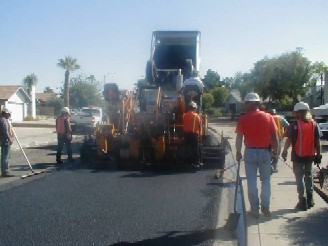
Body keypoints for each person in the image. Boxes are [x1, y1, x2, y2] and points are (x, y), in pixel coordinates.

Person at [236, 92, 278, 218]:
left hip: (250, 152)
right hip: (265, 152)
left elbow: (239, 138)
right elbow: (275, 138)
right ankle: (265, 206)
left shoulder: (243, 119)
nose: (245, 105)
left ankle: (254, 210)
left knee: (252, 181)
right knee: (266, 180)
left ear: (249, 104)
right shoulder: (268, 117)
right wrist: (275, 153)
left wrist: (238, 152)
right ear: (258, 103)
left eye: (246, 103)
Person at [281, 102, 321, 211]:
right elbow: (318, 141)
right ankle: (310, 199)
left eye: (295, 113)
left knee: (299, 179)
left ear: (298, 113)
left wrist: (284, 152)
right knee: (308, 176)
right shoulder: (314, 124)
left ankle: (302, 201)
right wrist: (319, 154)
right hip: (310, 156)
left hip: (297, 156)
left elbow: (288, 141)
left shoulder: (294, 125)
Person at [268, 109, 290, 173]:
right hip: (279, 137)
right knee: (277, 152)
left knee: (269, 152)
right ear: (275, 113)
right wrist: (284, 134)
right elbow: (288, 126)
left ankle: (269, 166)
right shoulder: (280, 118)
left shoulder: (268, 118)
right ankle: (274, 167)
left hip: (269, 138)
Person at [183, 101, 202, 167]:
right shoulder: (196, 116)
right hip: (194, 135)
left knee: (186, 149)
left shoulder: (184, 115)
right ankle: (196, 163)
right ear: (194, 108)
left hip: (186, 134)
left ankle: (186, 162)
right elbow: (199, 125)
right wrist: (200, 135)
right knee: (195, 149)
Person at [0, 108, 14, 177]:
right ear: (5, 113)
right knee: (5, 156)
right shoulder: (3, 121)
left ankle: (5, 170)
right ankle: (5, 171)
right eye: (8, 114)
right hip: (5, 141)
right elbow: (5, 132)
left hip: (4, 140)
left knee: (5, 156)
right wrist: (10, 139)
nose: (9, 115)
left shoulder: (4, 120)